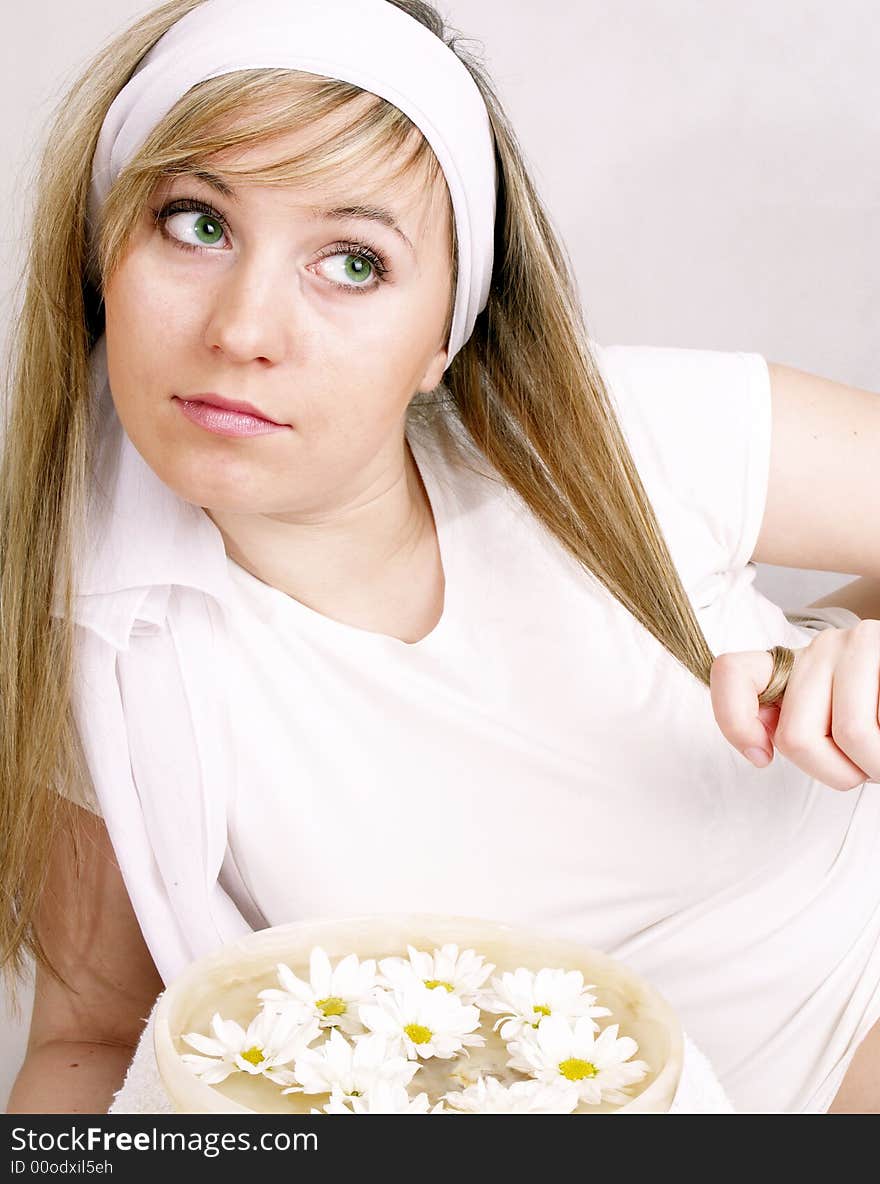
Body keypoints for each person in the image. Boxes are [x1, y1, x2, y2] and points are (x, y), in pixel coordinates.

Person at [2, 0, 879, 1115]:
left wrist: (857, 657)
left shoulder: (619, 434)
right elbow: (92, 1035)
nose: (243, 329)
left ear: (442, 338)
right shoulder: (99, 647)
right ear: (102, 256)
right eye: (197, 223)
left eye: (354, 261)